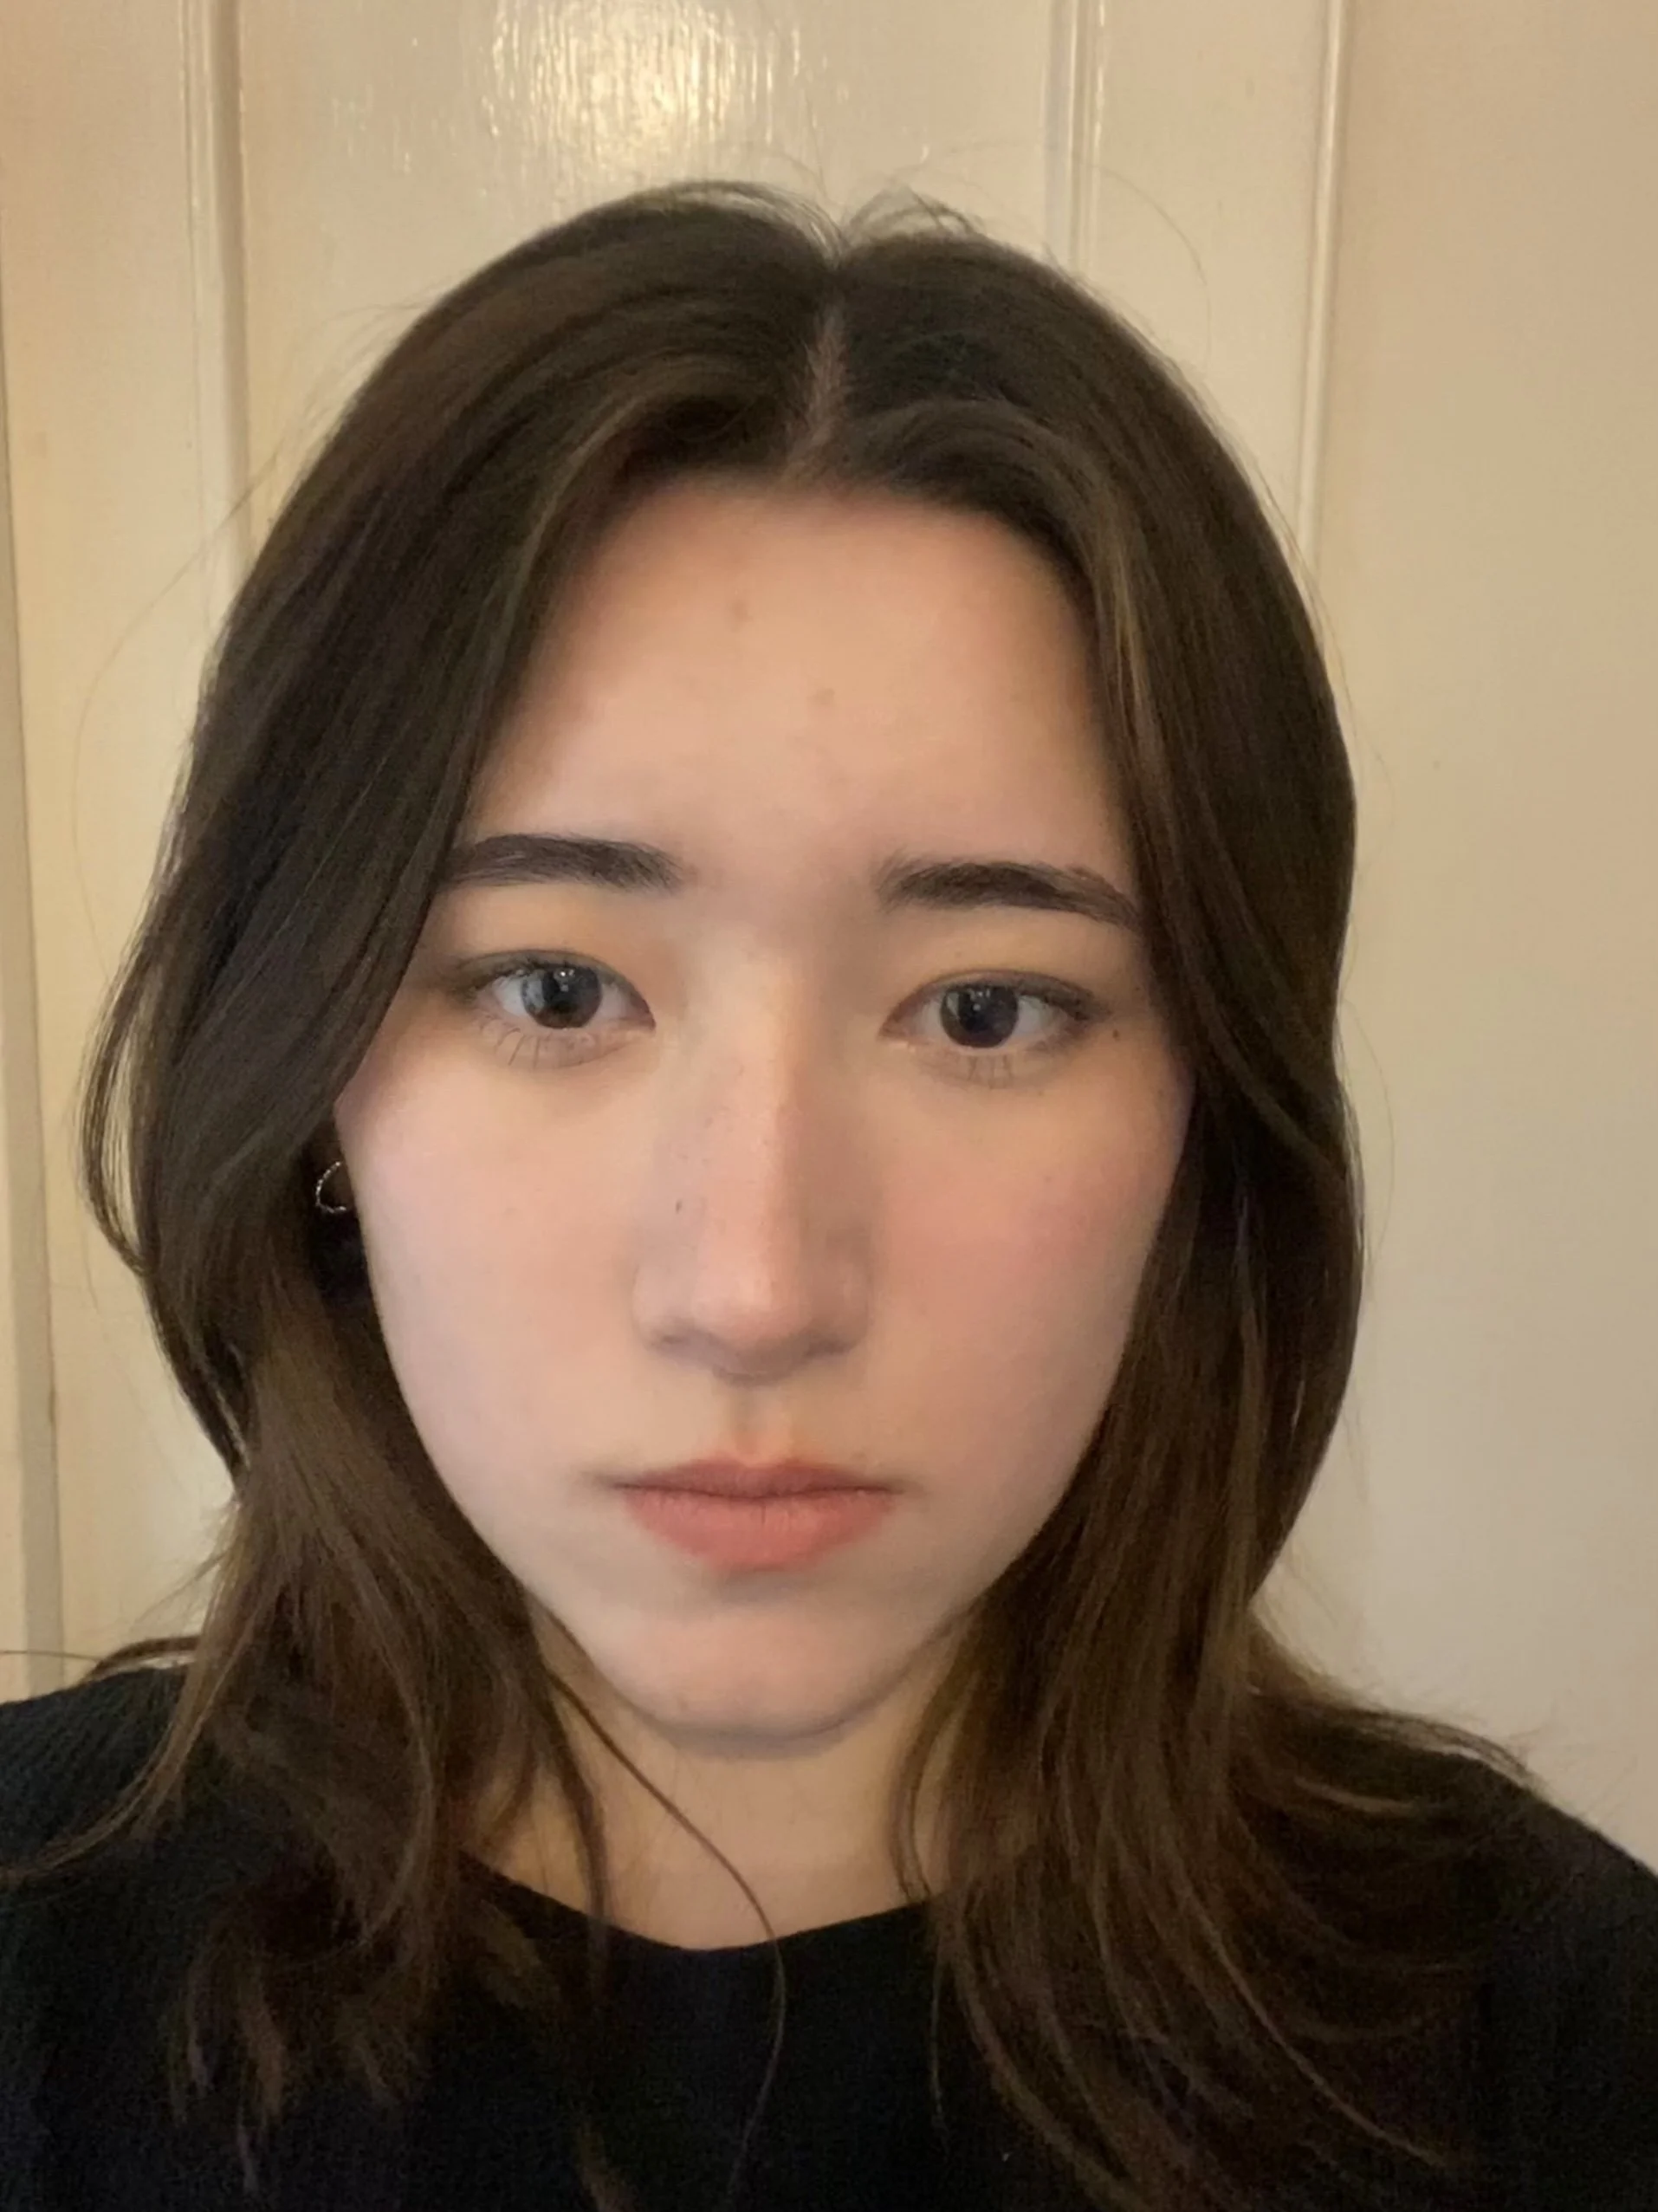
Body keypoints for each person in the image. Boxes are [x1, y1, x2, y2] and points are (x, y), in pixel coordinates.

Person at [0, 178, 1654, 2212]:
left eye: (984, 1011)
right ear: (312, 1077)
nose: (758, 1285)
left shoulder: (1554, 2038)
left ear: (1203, 1123)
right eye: (554, 987)